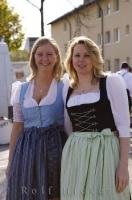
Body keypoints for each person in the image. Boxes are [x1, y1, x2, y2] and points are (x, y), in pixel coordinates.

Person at [61, 36, 131, 200]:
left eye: (86, 55)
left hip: (105, 151)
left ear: (94, 58)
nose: (81, 60)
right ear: (71, 59)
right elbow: (68, 126)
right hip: (76, 154)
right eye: (77, 55)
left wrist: (123, 165)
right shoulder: (67, 87)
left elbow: (123, 126)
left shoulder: (111, 82)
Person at [6, 36, 67, 200]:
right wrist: (10, 162)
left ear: (57, 57)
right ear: (33, 57)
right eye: (39, 54)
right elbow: (17, 127)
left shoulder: (64, 87)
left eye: (49, 54)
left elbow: (69, 125)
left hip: (55, 148)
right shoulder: (21, 89)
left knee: (55, 194)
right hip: (26, 151)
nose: (44, 59)